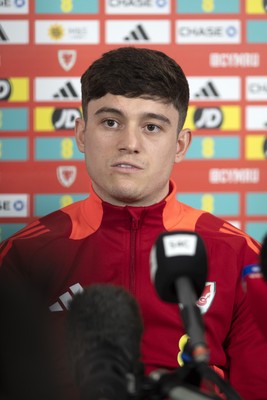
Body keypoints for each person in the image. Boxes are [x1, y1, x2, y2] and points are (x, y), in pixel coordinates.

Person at [0, 47, 267, 400]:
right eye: (111, 122)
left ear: (181, 144)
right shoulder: (24, 254)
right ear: (81, 133)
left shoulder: (238, 255)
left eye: (152, 126)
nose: (129, 144)